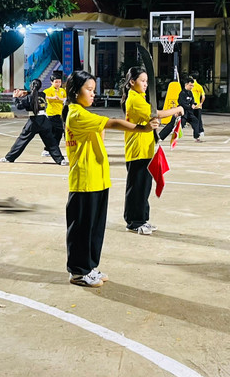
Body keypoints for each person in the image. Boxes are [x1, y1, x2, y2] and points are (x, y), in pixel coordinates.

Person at [64, 70, 159, 286]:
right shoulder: (77, 114)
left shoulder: (82, 113)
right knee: (82, 229)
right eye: (88, 90)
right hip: (85, 180)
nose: (92, 94)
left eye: (93, 90)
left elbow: (102, 131)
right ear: (74, 91)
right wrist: (143, 128)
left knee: (94, 228)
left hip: (98, 178)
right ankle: (79, 271)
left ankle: (89, 267)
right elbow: (113, 123)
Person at [121, 66, 184, 235]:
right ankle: (134, 222)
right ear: (132, 82)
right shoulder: (134, 99)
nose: (145, 84)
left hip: (146, 149)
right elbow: (156, 113)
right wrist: (177, 109)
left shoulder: (139, 97)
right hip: (138, 150)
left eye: (147, 81)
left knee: (144, 187)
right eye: (142, 81)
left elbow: (151, 118)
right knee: (137, 187)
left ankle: (142, 219)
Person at [0, 78, 67, 165]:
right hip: (44, 121)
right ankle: (60, 160)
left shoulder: (28, 98)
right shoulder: (42, 95)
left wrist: (15, 97)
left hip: (33, 122)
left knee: (22, 140)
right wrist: (25, 93)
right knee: (51, 142)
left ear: (31, 86)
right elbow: (35, 94)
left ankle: (9, 158)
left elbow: (19, 106)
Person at [42, 70, 66, 156]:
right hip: (51, 114)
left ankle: (52, 148)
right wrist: (52, 98)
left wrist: (60, 99)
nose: (58, 83)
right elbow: (42, 97)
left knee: (58, 132)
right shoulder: (47, 91)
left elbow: (66, 100)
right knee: (52, 132)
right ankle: (47, 149)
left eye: (59, 82)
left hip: (60, 114)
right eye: (56, 82)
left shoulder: (63, 91)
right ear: (51, 82)